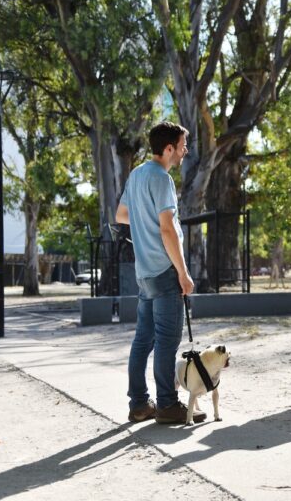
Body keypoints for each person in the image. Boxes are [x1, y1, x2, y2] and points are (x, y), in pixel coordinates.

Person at [116, 121, 203, 425]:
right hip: (165, 270)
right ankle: (167, 404)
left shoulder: (137, 175)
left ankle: (139, 404)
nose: (185, 151)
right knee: (167, 340)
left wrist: (143, 218)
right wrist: (183, 272)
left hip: (144, 273)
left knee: (143, 340)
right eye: (182, 146)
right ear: (169, 149)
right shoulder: (162, 179)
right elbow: (168, 230)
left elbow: (121, 214)